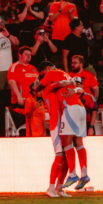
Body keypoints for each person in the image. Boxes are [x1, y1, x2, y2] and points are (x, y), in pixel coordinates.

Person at [36, 62, 90, 191]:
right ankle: (83, 174)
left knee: (65, 145)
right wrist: (71, 84)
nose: (45, 77)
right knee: (77, 143)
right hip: (80, 109)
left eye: (44, 74)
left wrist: (69, 84)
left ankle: (71, 175)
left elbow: (39, 87)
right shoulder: (65, 75)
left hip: (69, 111)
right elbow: (78, 87)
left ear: (47, 70)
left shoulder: (52, 76)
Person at [7, 46, 39, 129]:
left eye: (30, 55)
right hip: (21, 102)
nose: (29, 56)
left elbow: (38, 84)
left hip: (33, 102)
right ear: (19, 55)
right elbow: (11, 81)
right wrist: (18, 96)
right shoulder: (15, 66)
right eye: (26, 54)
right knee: (23, 128)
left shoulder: (33, 68)